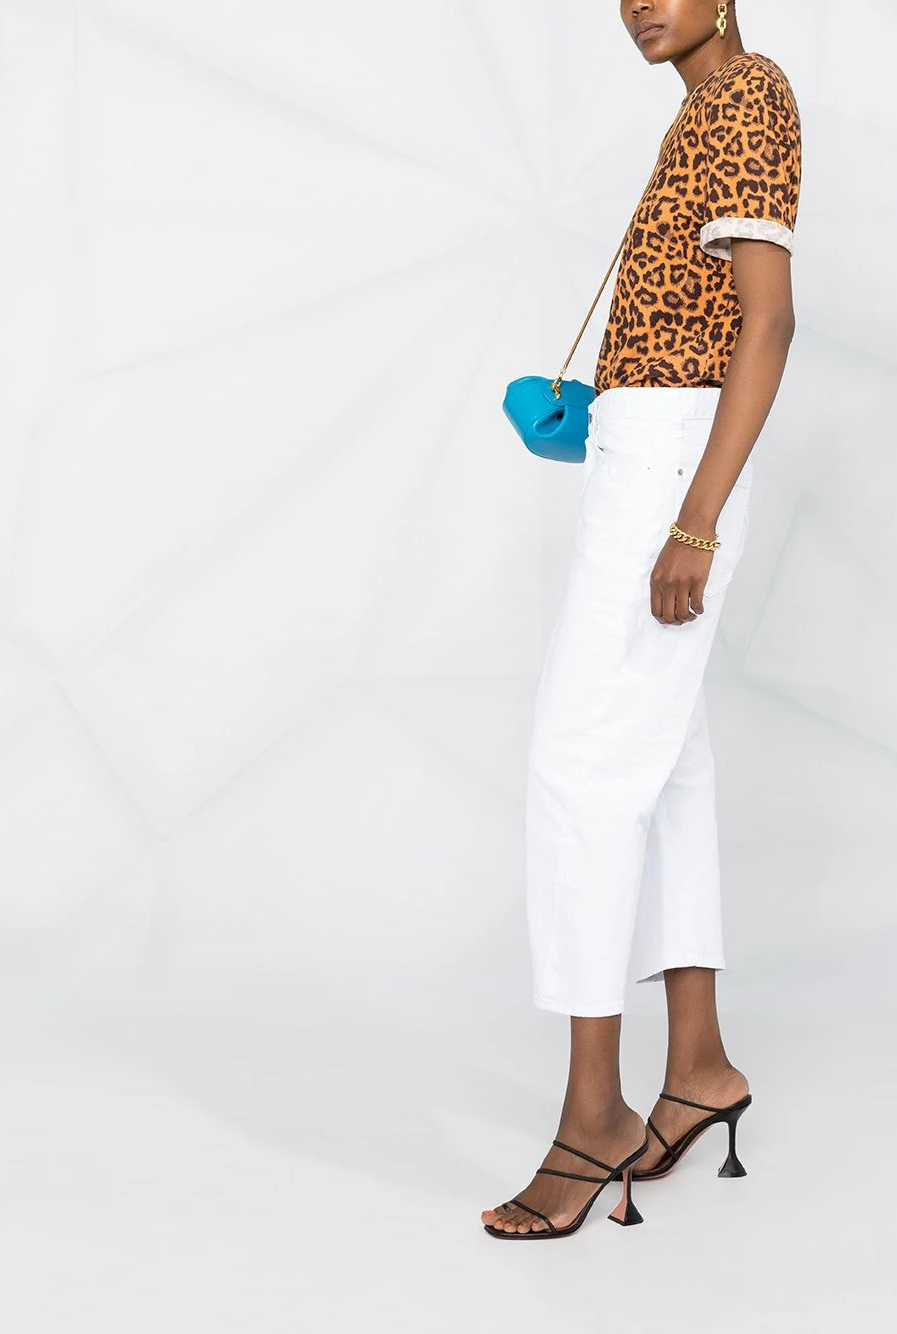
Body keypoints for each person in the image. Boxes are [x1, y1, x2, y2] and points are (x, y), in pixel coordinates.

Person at [482, 0, 802, 1239]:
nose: (637, 4)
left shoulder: (748, 96)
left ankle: (592, 1116)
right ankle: (699, 1065)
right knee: (666, 769)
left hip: (673, 465)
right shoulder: (703, 111)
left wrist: (695, 520)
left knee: (577, 768)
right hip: (647, 452)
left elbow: (767, 321)